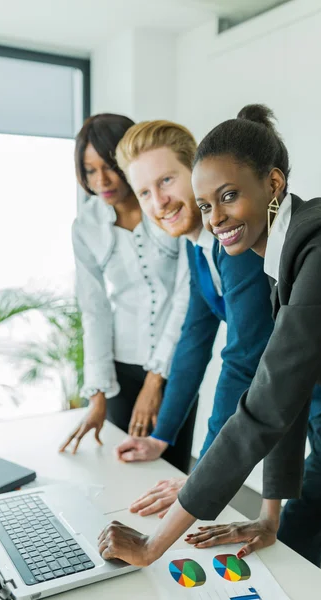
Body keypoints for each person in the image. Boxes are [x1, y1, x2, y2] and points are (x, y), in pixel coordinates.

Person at [98, 105, 321, 579]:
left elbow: (265, 401)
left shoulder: (320, 244)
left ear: (272, 184)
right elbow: (284, 392)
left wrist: (153, 544)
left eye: (228, 197)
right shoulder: (281, 250)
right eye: (206, 204)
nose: (214, 218)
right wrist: (267, 517)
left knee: (300, 539)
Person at [112, 119, 273, 517]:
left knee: (308, 524)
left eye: (166, 181)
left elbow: (241, 358)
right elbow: (194, 339)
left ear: (197, 173)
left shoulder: (235, 241)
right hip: (301, 396)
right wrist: (162, 436)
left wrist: (203, 469)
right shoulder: (198, 247)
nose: (158, 203)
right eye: (144, 192)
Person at [59, 113, 194, 473]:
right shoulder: (85, 227)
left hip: (176, 362)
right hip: (120, 366)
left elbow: (186, 294)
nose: (100, 180)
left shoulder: (169, 208)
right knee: (125, 468)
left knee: (171, 469)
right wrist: (98, 394)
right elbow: (94, 309)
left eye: (108, 167)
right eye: (89, 171)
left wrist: (156, 380)